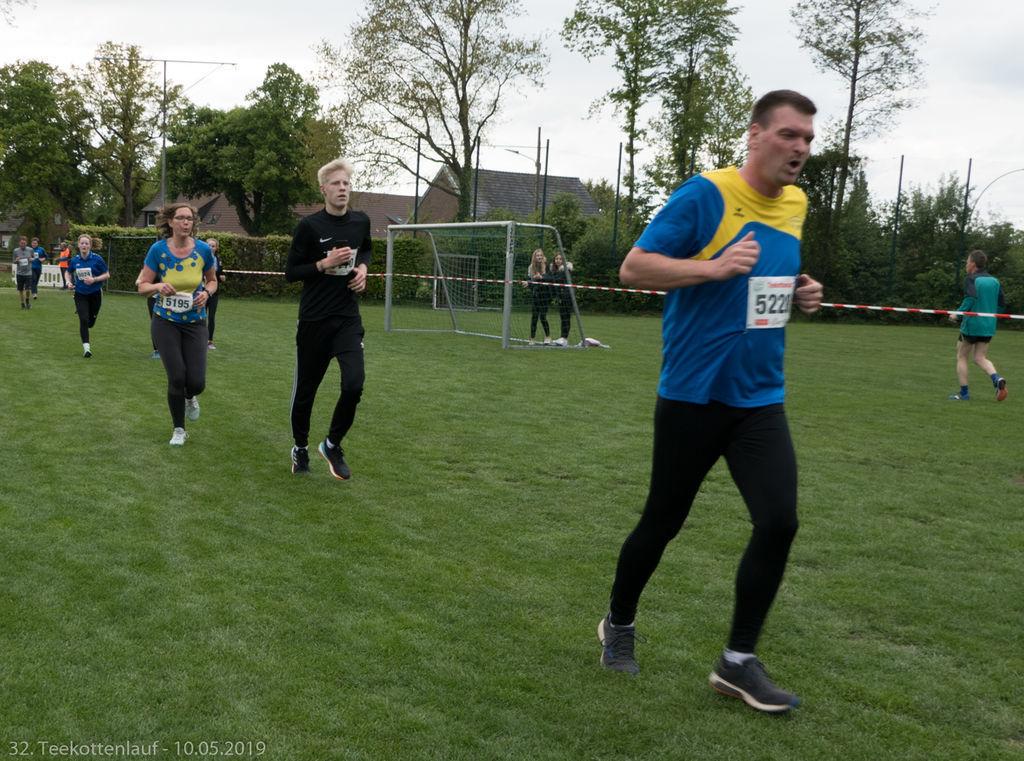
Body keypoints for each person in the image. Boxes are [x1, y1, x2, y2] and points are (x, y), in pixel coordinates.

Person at [596, 90, 824, 715]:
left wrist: (801, 290)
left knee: (779, 521)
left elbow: (768, 278)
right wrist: (713, 268)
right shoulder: (706, 195)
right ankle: (619, 622)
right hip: (693, 395)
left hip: (759, 398)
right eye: (789, 134)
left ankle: (738, 662)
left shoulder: (797, 204)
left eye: (807, 138)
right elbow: (634, 269)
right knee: (662, 523)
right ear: (754, 135)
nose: (801, 147)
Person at [284, 157, 371, 479]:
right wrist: (324, 263)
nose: (342, 188)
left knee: (354, 383)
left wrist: (363, 269)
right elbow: (291, 273)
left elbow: (366, 249)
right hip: (314, 321)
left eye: (346, 183)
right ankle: (300, 447)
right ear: (323, 189)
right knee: (306, 392)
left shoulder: (360, 221)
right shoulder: (309, 227)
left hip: (347, 318)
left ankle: (332, 444)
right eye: (336, 183)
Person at [137, 203, 217, 446]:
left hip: (195, 322)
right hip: (165, 322)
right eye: (181, 218)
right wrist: (158, 286)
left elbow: (212, 281)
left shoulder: (203, 250)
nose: (186, 222)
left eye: (189, 218)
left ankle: (190, 397)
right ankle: (179, 429)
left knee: (196, 382)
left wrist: (207, 293)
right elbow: (142, 286)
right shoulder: (158, 250)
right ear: (170, 222)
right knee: (177, 377)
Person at [948, 249, 1007, 401]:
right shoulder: (995, 281)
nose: (966, 265)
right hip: (988, 325)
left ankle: (964, 394)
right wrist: (991, 316)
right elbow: (1001, 304)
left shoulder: (971, 279)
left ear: (973, 264)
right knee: (980, 357)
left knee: (961, 356)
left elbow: (970, 299)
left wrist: (957, 314)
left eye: (967, 262)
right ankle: (997, 378)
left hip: (972, 325)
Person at [65, 234, 110, 356]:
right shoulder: (75, 260)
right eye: (82, 243)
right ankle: (87, 349)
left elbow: (107, 274)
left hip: (95, 294)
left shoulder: (97, 259)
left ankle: (90, 318)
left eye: (86, 243)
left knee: (90, 322)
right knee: (83, 320)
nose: (84, 245)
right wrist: (68, 282)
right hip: (80, 294)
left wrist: (94, 279)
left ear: (90, 245)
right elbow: (68, 272)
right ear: (78, 245)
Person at [546, 252, 574, 346]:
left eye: (560, 259)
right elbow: (551, 278)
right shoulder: (554, 270)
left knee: (566, 317)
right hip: (561, 296)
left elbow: (556, 279)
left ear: (563, 260)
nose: (558, 260)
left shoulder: (566, 270)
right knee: (563, 317)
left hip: (567, 296)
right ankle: (562, 337)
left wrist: (542, 277)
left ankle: (564, 338)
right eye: (556, 259)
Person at [526, 248, 552, 345]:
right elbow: (529, 280)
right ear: (534, 257)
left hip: (545, 295)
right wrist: (527, 283)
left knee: (543, 317)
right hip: (536, 294)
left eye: (541, 255)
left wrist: (541, 277)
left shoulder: (547, 266)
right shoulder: (531, 267)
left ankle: (548, 336)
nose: (539, 257)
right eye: (537, 255)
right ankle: (532, 338)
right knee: (534, 317)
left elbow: (550, 278)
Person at [205, 237, 226, 349]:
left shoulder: (218, 259)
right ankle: (199, 339)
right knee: (201, 317)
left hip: (214, 292)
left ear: (216, 248)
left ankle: (210, 341)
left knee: (211, 317)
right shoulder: (201, 258)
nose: (210, 247)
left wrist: (222, 277)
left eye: (213, 246)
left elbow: (219, 273)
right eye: (209, 245)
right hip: (202, 291)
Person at [12, 236, 34, 310]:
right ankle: (22, 303)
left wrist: (31, 259)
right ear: (19, 243)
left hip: (28, 273)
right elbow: (13, 261)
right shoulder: (16, 251)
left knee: (28, 289)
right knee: (21, 290)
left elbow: (34, 258)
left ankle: (27, 300)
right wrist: (16, 260)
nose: (23, 245)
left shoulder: (30, 250)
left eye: (24, 243)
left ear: (26, 243)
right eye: (21, 243)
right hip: (20, 273)